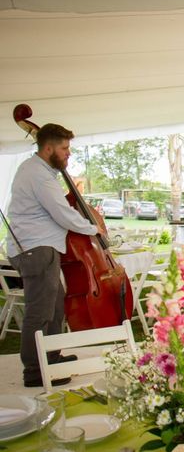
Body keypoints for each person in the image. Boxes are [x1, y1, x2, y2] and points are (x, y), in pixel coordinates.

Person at [6, 123, 100, 388]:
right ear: (48, 148)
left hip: (41, 246)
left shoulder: (40, 171)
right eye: (64, 148)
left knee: (55, 303)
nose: (68, 154)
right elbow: (62, 212)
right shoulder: (39, 175)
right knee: (40, 310)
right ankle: (35, 371)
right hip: (36, 248)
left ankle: (52, 355)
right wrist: (94, 228)